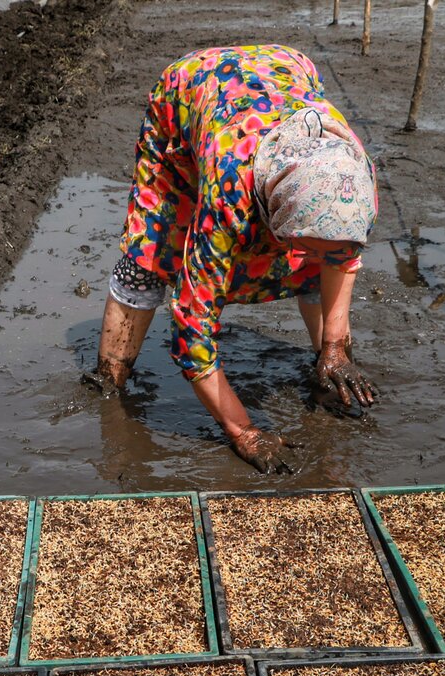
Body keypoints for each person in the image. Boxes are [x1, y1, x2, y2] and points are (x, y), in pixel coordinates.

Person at [93, 45, 380, 473]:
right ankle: (109, 379)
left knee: (315, 258)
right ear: (275, 214)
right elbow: (192, 329)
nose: (317, 257)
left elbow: (341, 257)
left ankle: (327, 362)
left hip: (286, 72)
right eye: (304, 244)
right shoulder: (230, 196)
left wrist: (336, 349)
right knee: (154, 248)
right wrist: (243, 430)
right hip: (190, 93)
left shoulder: (352, 179)